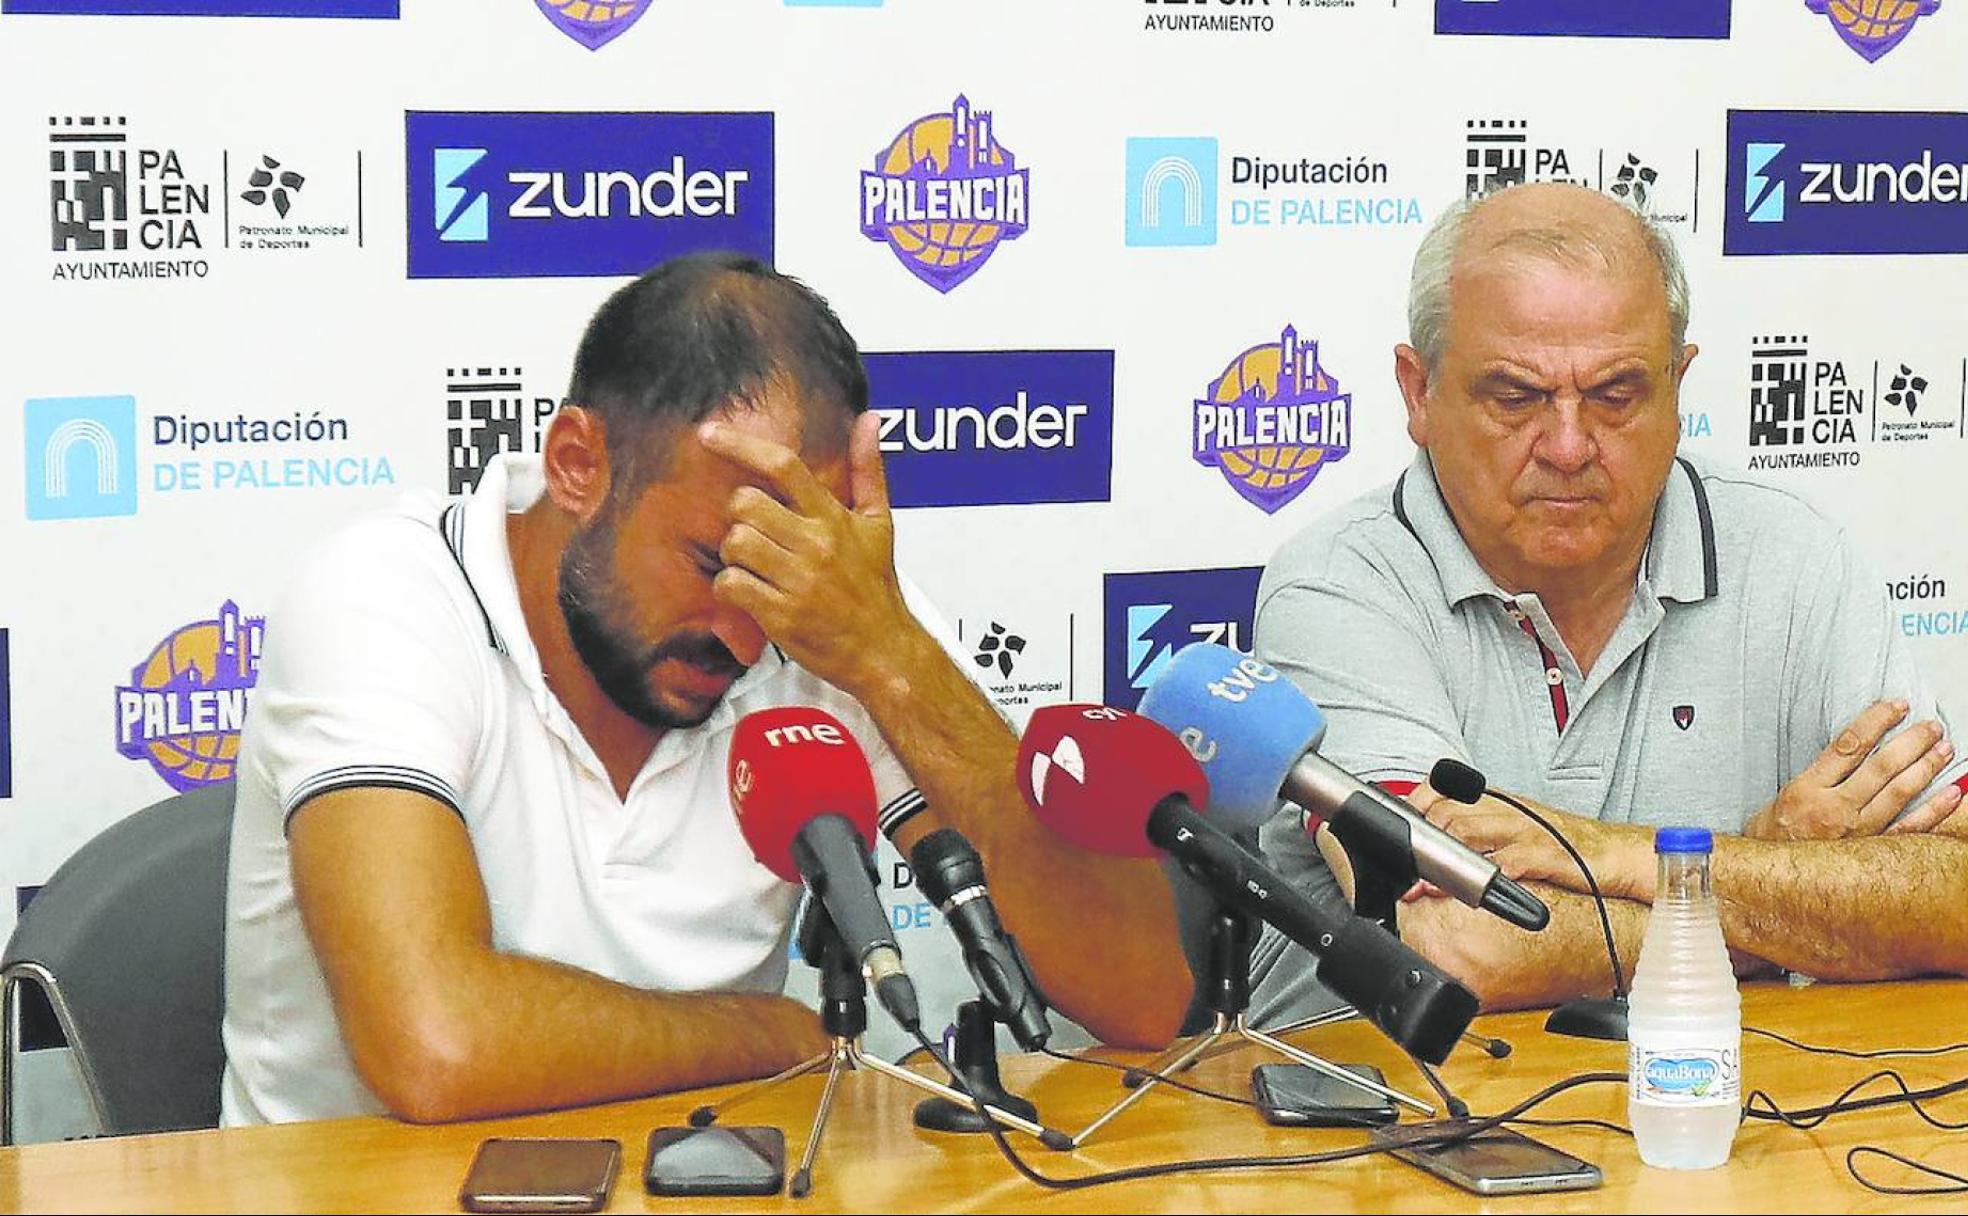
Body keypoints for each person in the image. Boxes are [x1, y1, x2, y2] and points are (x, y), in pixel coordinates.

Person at [220, 253, 1190, 1125]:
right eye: (708, 561)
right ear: (576, 465)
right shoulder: (387, 593)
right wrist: (775, 1036)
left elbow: (1143, 995)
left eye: (777, 578)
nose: (744, 629)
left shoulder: (817, 606)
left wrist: (894, 656)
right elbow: (434, 1043)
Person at [1247, 182, 1968, 1017]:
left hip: (1724, 1113)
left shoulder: (1796, 558)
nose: (1567, 445)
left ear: (1678, 384)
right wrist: (1771, 882)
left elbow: (1955, 890)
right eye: (1516, 397)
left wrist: (1626, 858)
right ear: (1418, 392)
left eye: (1616, 395)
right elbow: (1465, 944)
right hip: (1387, 1122)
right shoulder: (1338, 586)